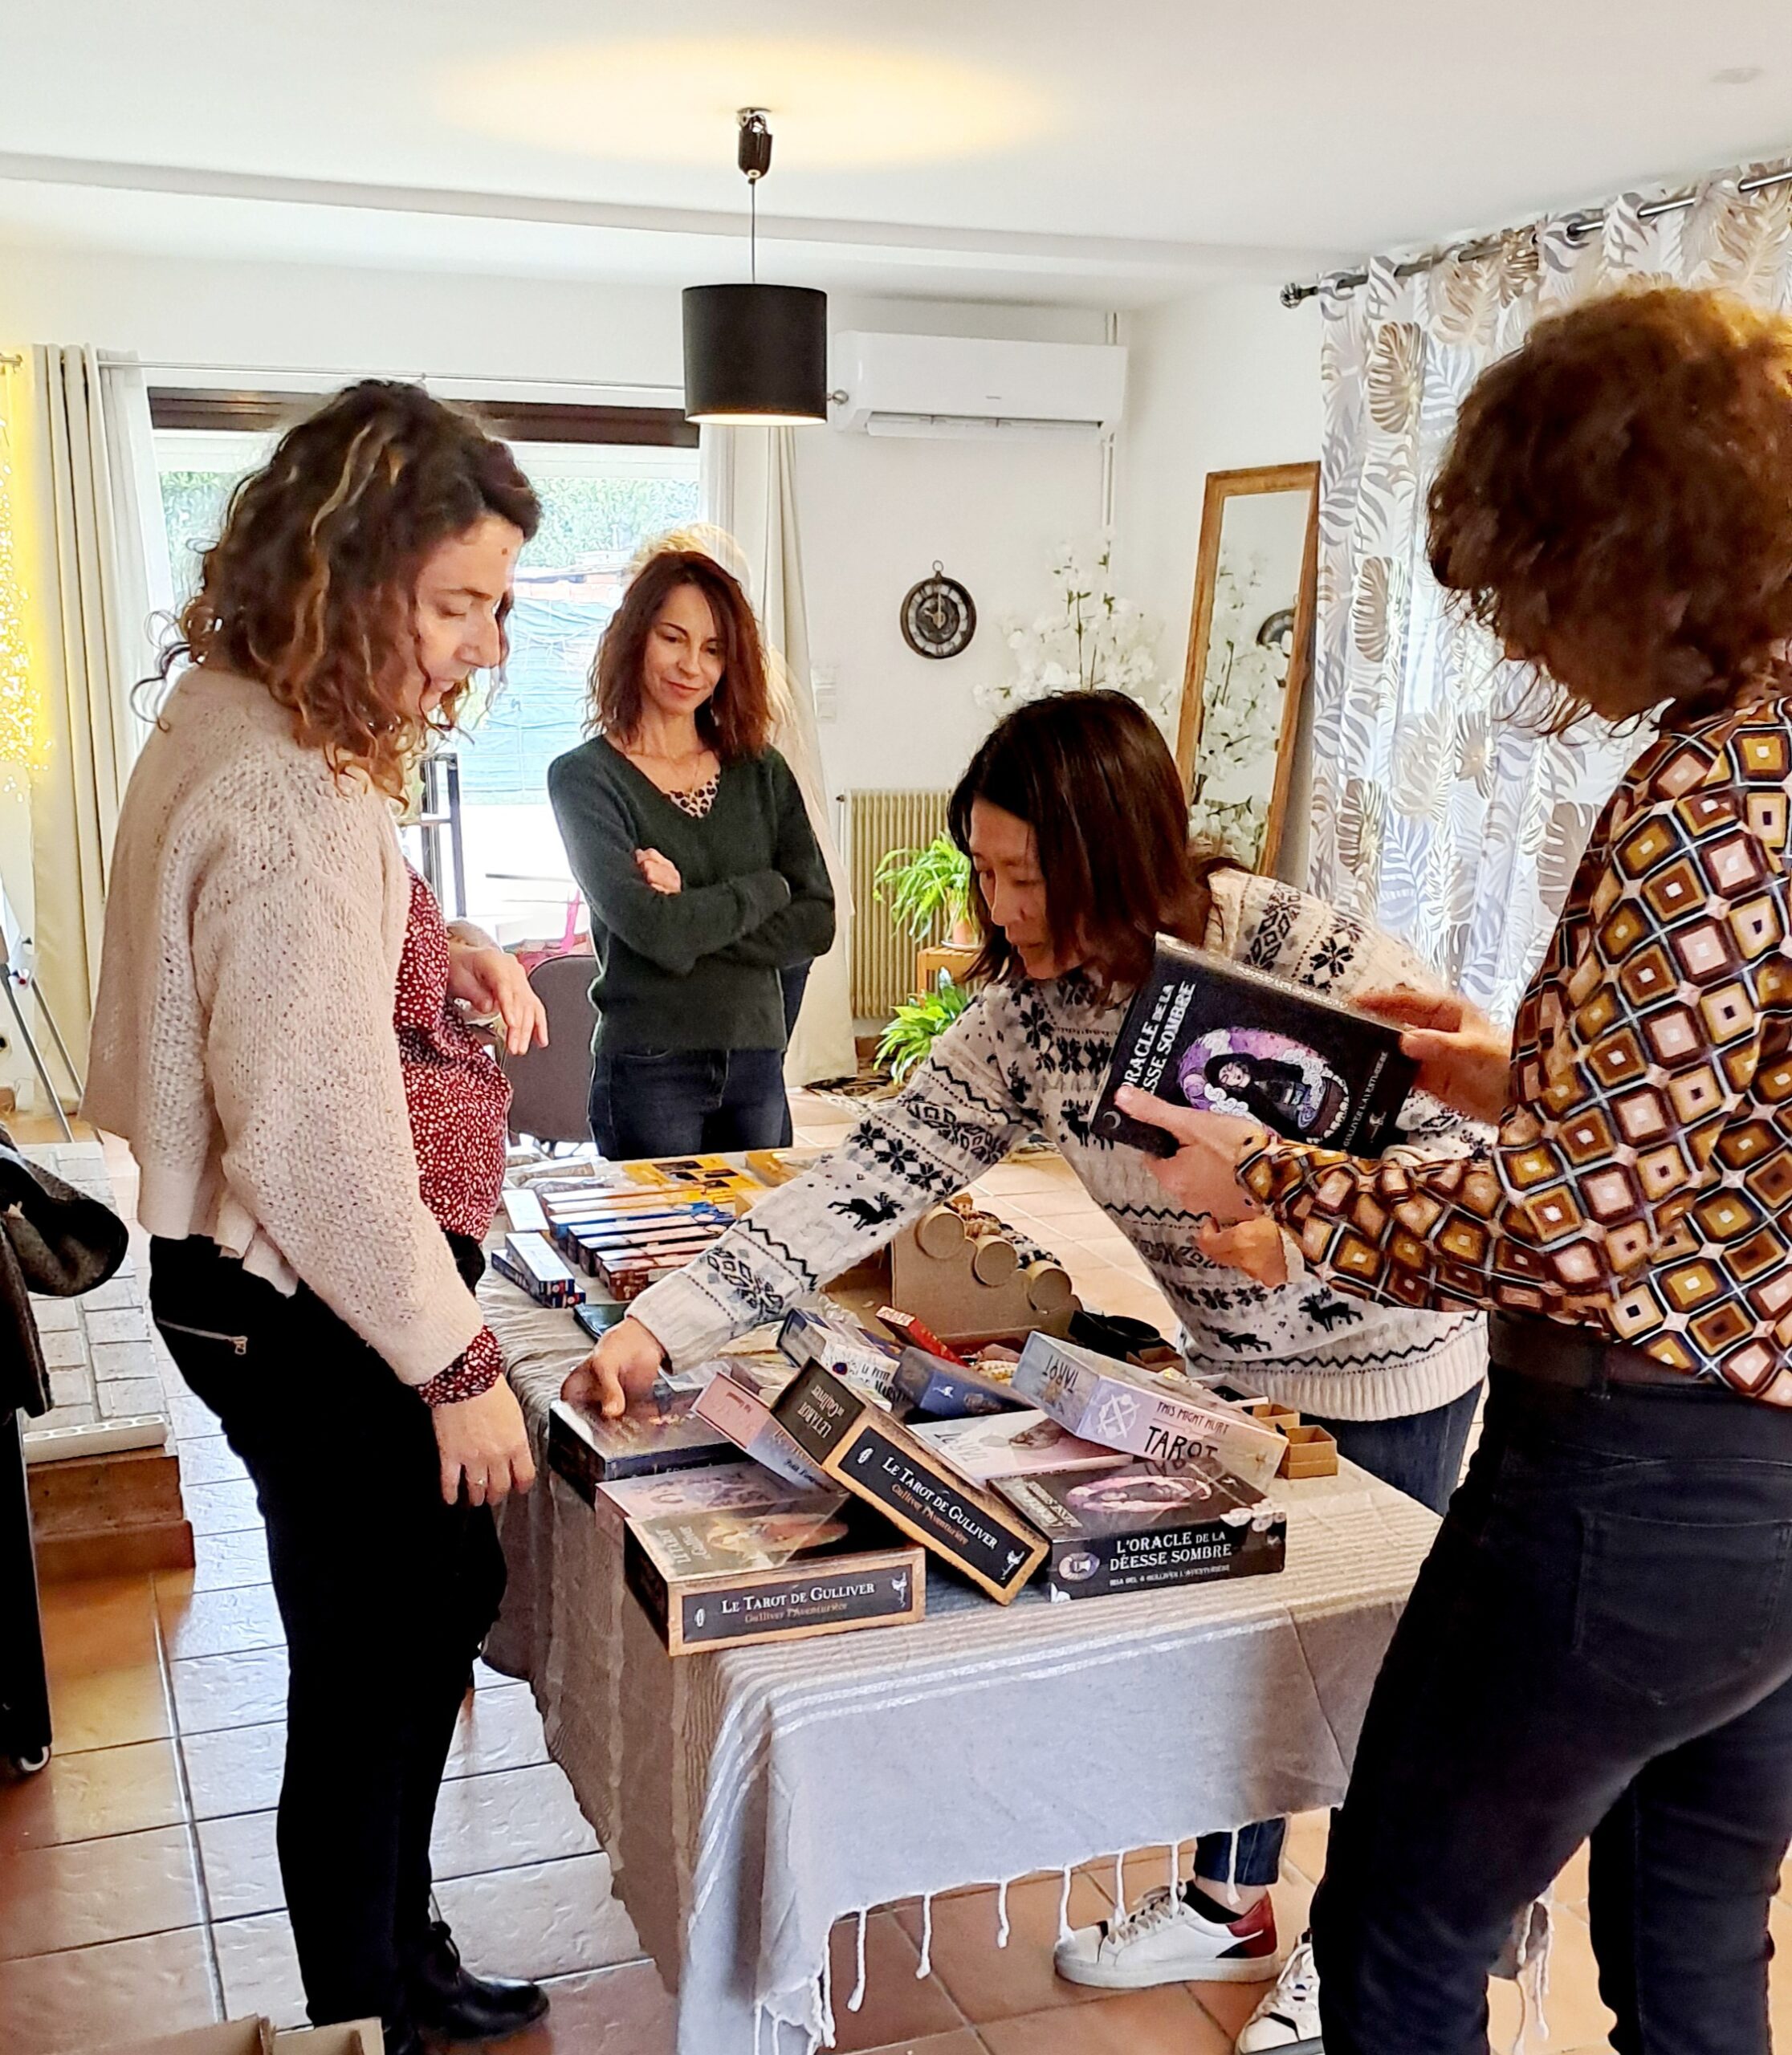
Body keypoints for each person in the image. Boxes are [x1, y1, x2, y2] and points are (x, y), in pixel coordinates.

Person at [567, 688, 1487, 1992]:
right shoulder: (1029, 1020)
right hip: (1232, 1373)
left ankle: (1351, 1970)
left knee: (1376, 1683)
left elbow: (1460, 1146)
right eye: (984, 873)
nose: (999, 909)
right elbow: (864, 1178)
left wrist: (1306, 1225)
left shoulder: (1287, 944)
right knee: (1246, 1652)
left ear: (1115, 852)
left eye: (1026, 876)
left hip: (1390, 1363)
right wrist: (662, 1326)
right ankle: (1228, 1905)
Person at [1127, 284, 1792, 2055]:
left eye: (1522, 583)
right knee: (1694, 1950)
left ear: (1630, 542)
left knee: (1403, 1929)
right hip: (1772, 1476)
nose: (1517, 639)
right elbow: (1739, 1127)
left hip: (1636, 1480)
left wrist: (1285, 1182)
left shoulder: (1706, 797)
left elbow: (1575, 1236)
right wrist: (1522, 1074)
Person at [83, 382, 550, 2053]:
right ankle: (371, 2012)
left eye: (499, 606)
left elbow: (320, 945)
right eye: (458, 603)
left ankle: (400, 1960)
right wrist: (458, 1360)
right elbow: (312, 1144)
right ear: (350, 574)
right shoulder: (289, 792)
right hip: (306, 1296)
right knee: (373, 1673)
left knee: (412, 1623)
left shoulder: (243, 711)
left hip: (257, 1290)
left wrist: (442, 944)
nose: (485, 647)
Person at [548, 548, 836, 1160]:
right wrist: (766, 889)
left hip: (757, 1058)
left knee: (764, 1226)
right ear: (635, 636)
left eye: (713, 649)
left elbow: (816, 922)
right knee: (660, 1229)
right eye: (672, 638)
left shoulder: (761, 770)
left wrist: (689, 908)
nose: (691, 666)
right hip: (650, 1065)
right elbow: (655, 931)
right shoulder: (585, 778)